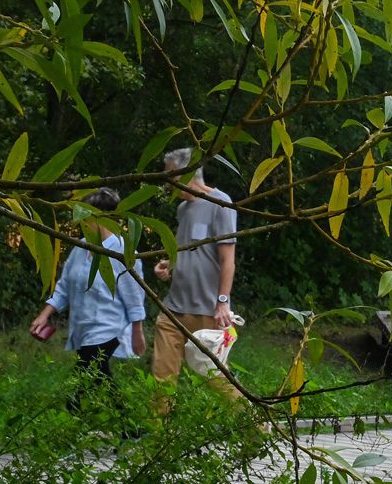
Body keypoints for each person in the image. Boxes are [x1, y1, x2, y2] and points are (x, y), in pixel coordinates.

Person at [29, 187, 144, 409]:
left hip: (109, 327)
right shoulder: (80, 248)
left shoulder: (122, 249)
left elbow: (134, 294)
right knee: (97, 375)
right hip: (82, 327)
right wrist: (45, 315)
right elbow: (64, 287)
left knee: (87, 375)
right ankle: (126, 425)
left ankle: (74, 417)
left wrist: (137, 330)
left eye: (87, 217)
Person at [151, 147, 239, 392]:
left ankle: (256, 427)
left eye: (171, 175)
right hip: (174, 308)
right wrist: (170, 264)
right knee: (162, 376)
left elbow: (227, 260)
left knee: (217, 378)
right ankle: (158, 429)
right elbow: (188, 250)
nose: (168, 181)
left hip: (207, 310)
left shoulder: (219, 203)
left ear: (188, 172)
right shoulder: (182, 210)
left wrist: (222, 301)